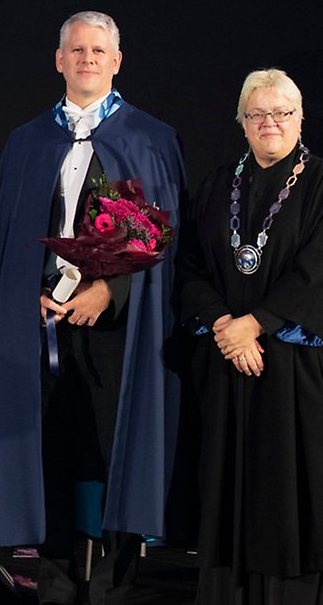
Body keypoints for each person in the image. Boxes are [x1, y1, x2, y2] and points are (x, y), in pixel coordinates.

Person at [0, 11, 185, 604]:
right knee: (52, 455)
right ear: (59, 60)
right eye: (76, 49)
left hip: (118, 332)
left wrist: (109, 291)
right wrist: (27, 292)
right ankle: (57, 585)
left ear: (116, 62)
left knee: (114, 454)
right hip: (42, 324)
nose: (87, 58)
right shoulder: (27, 140)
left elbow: (168, 243)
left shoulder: (152, 138)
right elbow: (10, 237)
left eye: (99, 50)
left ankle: (116, 585)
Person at [179, 69, 323, 604]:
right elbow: (189, 266)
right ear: (241, 121)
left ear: (300, 118)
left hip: (292, 367)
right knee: (225, 486)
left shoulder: (321, 184)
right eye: (257, 114)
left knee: (288, 492)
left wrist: (255, 324)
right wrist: (223, 324)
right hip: (226, 363)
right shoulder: (219, 184)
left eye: (281, 113)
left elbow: (318, 271)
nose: (270, 123)